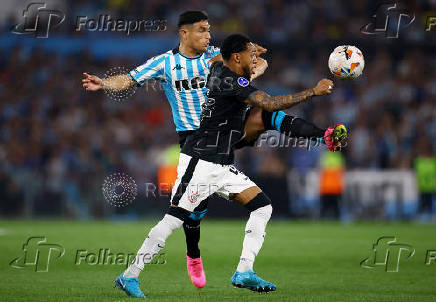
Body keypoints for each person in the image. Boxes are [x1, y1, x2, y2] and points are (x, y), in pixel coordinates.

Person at [82, 11, 345, 289]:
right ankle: (171, 262)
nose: (208, 35)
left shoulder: (217, 56)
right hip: (197, 146)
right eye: (202, 30)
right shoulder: (166, 63)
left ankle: (244, 271)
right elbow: (131, 79)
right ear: (184, 33)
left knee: (262, 195)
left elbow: (254, 66)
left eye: (209, 30)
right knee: (185, 216)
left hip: (223, 142)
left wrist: (252, 61)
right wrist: (104, 84)